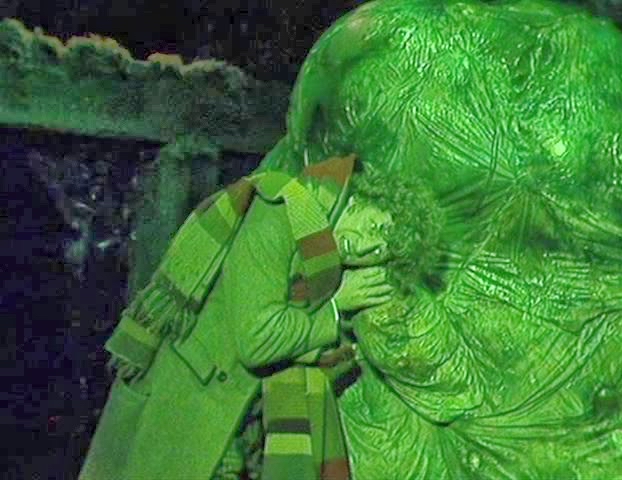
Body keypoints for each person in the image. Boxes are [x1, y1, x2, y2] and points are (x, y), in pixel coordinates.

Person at [79, 154, 398, 480]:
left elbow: (308, 351)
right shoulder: (281, 213)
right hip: (189, 404)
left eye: (379, 250)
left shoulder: (324, 261)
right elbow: (257, 339)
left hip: (236, 416)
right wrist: (335, 308)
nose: (366, 247)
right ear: (363, 199)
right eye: (376, 227)